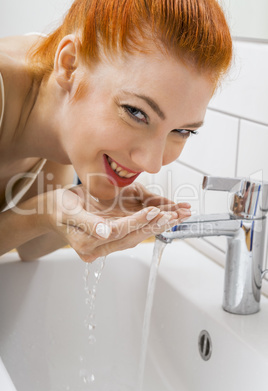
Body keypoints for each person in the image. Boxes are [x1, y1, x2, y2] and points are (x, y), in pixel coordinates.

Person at [0, 0, 232, 262]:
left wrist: (83, 206)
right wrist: (44, 214)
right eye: (136, 112)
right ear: (69, 64)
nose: (152, 164)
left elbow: (32, 248)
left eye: (181, 130)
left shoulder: (59, 112)